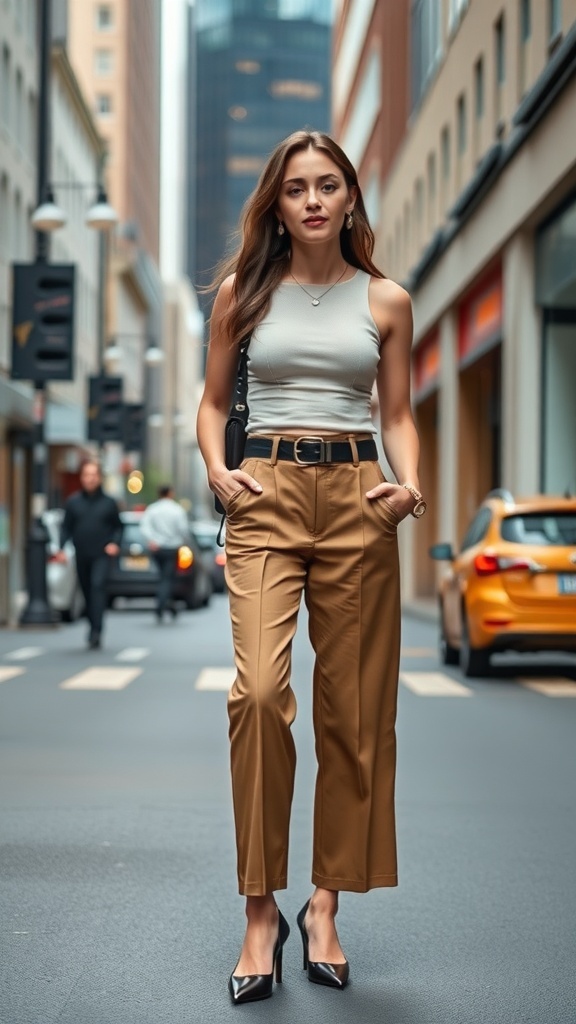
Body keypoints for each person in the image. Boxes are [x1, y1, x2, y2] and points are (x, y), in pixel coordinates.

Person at [196, 130, 426, 1004]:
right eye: (297, 189)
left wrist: (410, 484)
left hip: (361, 497)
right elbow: (213, 402)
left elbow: (397, 412)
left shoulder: (387, 300)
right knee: (257, 696)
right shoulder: (241, 296)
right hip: (266, 495)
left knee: (354, 715)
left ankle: (324, 904)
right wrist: (217, 470)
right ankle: (261, 910)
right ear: (278, 205)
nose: (314, 201)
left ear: (351, 197)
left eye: (329, 185)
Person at [57, 458, 122, 649]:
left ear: (100, 478)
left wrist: (114, 543)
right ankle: (93, 624)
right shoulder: (73, 502)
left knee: (97, 587)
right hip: (81, 554)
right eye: (86, 475)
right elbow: (66, 528)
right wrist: (61, 549)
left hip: (101, 554)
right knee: (87, 591)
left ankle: (96, 631)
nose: (90, 479)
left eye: (94, 475)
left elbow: (118, 527)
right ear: (82, 478)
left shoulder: (109, 503)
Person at [140, 484, 191, 621]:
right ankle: (161, 606)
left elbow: (144, 526)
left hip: (157, 549)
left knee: (164, 577)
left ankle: (170, 605)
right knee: (167, 579)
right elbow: (183, 529)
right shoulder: (177, 510)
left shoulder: (152, 509)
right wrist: (183, 542)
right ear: (170, 493)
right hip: (171, 548)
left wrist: (152, 540)